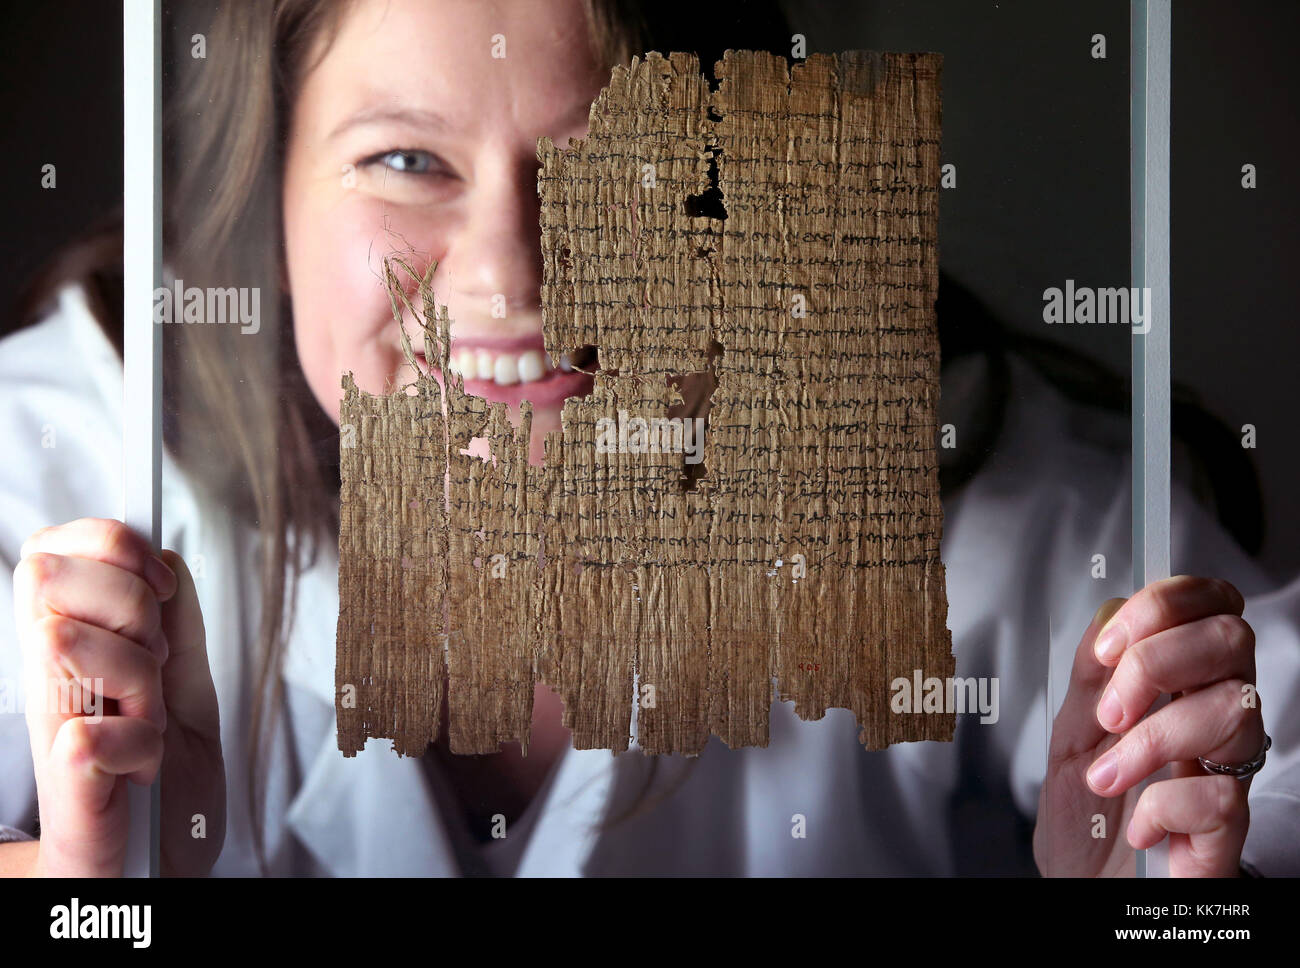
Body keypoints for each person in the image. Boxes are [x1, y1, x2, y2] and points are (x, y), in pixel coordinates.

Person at [1, 0, 1296, 877]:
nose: (512, 278)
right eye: (407, 160)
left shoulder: (962, 483)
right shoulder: (61, 460)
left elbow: (1267, 763)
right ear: (264, 189)